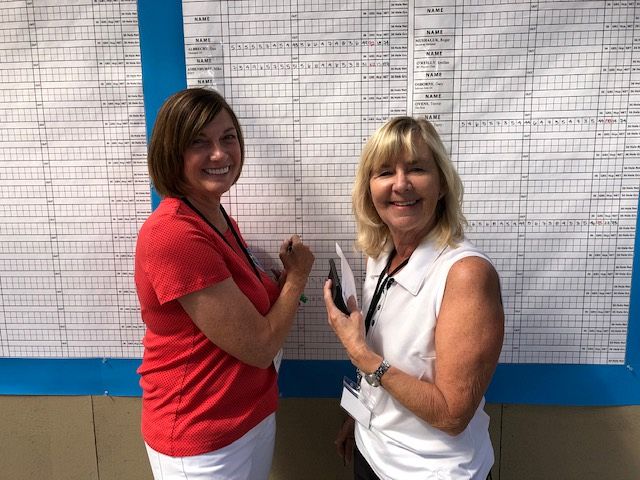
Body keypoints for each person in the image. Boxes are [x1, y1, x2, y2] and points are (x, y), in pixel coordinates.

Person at [134, 87, 314, 480]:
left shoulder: (215, 217)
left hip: (247, 416)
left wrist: (277, 286)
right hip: (200, 434)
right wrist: (296, 280)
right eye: (200, 142)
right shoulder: (174, 234)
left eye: (228, 138)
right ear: (172, 153)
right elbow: (259, 346)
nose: (220, 154)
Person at [323, 116, 504, 480]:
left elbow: (452, 415)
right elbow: (386, 356)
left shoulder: (466, 275)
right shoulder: (382, 251)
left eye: (417, 169)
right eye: (385, 171)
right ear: (369, 188)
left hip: (429, 471)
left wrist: (361, 354)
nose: (401, 184)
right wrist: (361, 420)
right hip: (372, 450)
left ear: (441, 185)